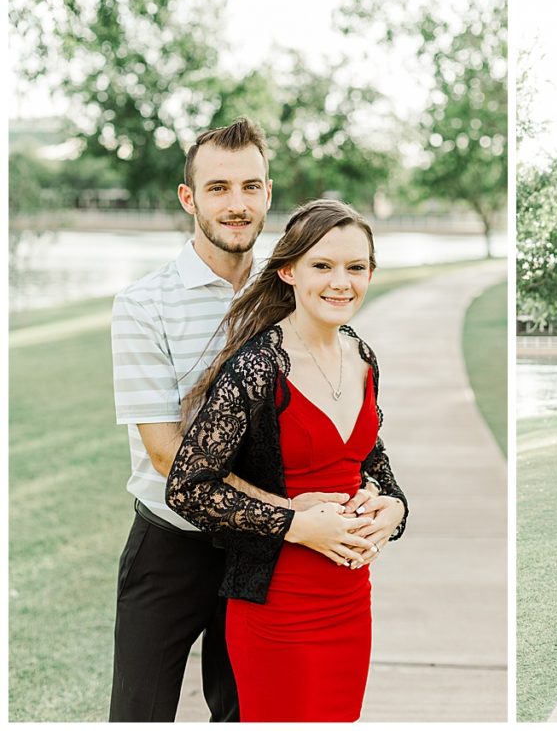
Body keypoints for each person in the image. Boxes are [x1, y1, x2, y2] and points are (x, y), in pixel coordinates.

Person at [109, 118, 375, 721]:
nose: (237, 204)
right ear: (189, 198)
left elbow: (339, 409)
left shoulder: (293, 288)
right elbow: (164, 454)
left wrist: (382, 500)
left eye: (251, 187)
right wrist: (292, 514)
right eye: (219, 188)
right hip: (172, 545)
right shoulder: (143, 305)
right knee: (138, 713)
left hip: (263, 556)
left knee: (245, 714)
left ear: (268, 193)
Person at [165, 198, 408, 721]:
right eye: (322, 266)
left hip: (350, 600)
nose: (340, 282)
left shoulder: (362, 356)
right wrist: (294, 524)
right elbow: (188, 486)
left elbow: (371, 457)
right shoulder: (257, 368)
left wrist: (394, 508)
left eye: (355, 267)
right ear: (288, 270)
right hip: (277, 606)